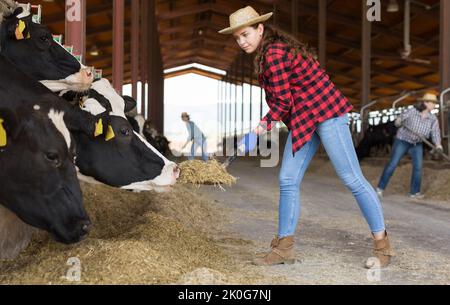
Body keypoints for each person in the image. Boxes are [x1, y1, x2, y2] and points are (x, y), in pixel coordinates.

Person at [219, 6, 393, 268]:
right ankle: (284, 248)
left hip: (327, 113)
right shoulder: (267, 53)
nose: (242, 41)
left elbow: (282, 101)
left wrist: (260, 128)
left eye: (245, 34)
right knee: (287, 178)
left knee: (351, 178)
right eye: (237, 38)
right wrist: (264, 127)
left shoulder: (274, 53)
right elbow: (288, 100)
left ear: (260, 28)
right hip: (304, 119)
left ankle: (383, 247)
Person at [377, 93, 443, 199]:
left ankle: (414, 192)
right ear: (425, 103)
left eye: (435, 103)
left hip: (417, 144)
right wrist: (398, 121)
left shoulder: (433, 119)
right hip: (402, 141)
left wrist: (438, 145)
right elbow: (400, 119)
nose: (434, 105)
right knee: (393, 164)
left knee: (418, 167)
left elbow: (435, 132)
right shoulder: (412, 111)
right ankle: (380, 189)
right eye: (433, 103)